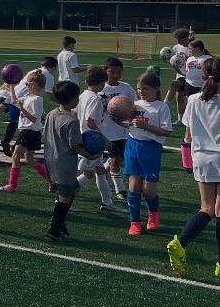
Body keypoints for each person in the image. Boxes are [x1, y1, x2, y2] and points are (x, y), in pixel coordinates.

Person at [166, 58, 220, 278]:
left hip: (201, 158)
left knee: (206, 208)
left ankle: (180, 242)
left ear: (203, 76)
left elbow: (188, 135)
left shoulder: (193, 100)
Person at [44, 80, 98, 240]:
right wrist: (91, 155)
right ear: (73, 99)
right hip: (65, 164)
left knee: (70, 191)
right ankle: (54, 229)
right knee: (65, 196)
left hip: (51, 160)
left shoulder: (51, 113)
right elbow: (75, 145)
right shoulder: (72, 119)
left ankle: (60, 225)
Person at [122, 72, 173, 236]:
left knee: (148, 190)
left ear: (156, 88)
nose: (141, 91)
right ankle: (135, 222)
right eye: (138, 88)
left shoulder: (161, 107)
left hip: (150, 149)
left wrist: (147, 127)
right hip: (132, 145)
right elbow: (127, 124)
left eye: (145, 88)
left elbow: (166, 131)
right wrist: (116, 116)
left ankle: (153, 214)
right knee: (134, 186)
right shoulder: (134, 105)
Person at [0, 70, 51, 193]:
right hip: (30, 132)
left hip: (29, 132)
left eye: (28, 81)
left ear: (34, 84)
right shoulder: (29, 97)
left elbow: (34, 118)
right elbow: (14, 101)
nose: (25, 83)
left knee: (16, 155)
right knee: (29, 160)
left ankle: (12, 185)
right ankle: (51, 179)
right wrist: (11, 86)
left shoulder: (36, 100)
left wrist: (22, 109)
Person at [73, 65, 116, 211]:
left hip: (83, 138)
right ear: (101, 83)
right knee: (89, 173)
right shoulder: (95, 99)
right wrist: (104, 140)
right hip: (90, 142)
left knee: (99, 171)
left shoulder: (83, 95)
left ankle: (107, 202)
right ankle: (64, 197)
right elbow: (89, 121)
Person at [100, 57, 135, 200]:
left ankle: (83, 179)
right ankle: (119, 190)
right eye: (112, 72)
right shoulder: (101, 89)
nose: (115, 75)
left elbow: (135, 103)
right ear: (105, 71)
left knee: (116, 159)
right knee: (116, 160)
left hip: (123, 130)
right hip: (107, 131)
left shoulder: (126, 88)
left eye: (118, 72)